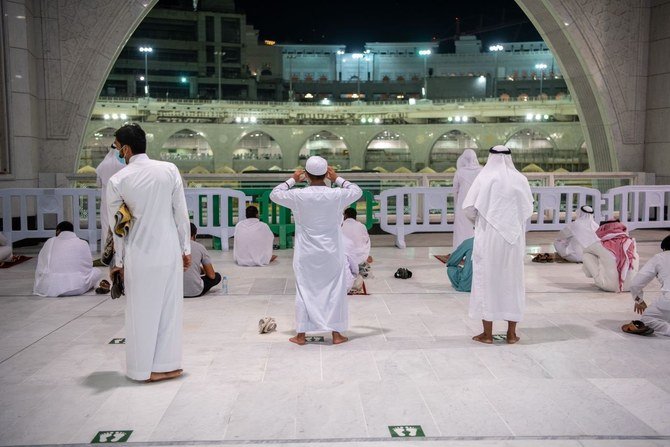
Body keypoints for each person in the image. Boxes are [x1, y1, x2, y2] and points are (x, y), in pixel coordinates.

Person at [106, 123, 191, 383]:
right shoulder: (169, 170)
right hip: (169, 253)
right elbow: (181, 214)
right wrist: (185, 249)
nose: (118, 152)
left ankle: (142, 370)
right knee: (169, 311)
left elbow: (117, 227)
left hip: (139, 254)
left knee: (140, 314)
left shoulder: (118, 180)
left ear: (127, 148)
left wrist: (118, 263)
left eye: (118, 147)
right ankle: (167, 365)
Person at [270, 156, 362, 345]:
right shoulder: (336, 195)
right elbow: (356, 191)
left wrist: (293, 180)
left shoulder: (298, 196)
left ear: (307, 174)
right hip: (332, 253)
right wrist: (337, 178)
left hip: (306, 253)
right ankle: (336, 334)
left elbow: (274, 194)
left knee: (305, 290)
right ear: (326, 174)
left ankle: (301, 335)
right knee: (334, 291)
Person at [462, 145, 534, 344]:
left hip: (489, 236)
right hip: (514, 238)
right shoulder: (521, 179)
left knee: (488, 280)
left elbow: (468, 208)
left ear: (491, 157)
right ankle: (511, 334)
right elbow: (528, 208)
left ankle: (487, 335)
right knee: (513, 282)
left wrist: (479, 221)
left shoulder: (484, 178)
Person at [33, 221, 101, 297]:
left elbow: (41, 266)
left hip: (51, 287)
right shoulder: (83, 242)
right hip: (77, 287)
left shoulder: (49, 242)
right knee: (97, 271)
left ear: (58, 231)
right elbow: (89, 266)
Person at [625, 235, 670, 336]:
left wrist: (639, 300)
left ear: (664, 248)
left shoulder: (660, 258)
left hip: (668, 300)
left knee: (648, 319)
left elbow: (635, 284)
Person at [582, 219, 639, 292]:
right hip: (632, 285)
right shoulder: (631, 242)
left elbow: (585, 251)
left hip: (608, 287)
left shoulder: (600, 245)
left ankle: (596, 277)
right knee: (634, 254)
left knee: (587, 255)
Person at [452, 149, 482, 249]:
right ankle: (476, 251)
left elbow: (455, 190)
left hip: (463, 205)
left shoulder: (460, 172)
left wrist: (456, 205)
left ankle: (461, 251)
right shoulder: (481, 171)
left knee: (461, 229)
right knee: (477, 228)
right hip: (478, 205)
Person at [96, 142, 126, 241]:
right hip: (119, 200)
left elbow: (98, 184)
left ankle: (106, 253)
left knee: (106, 226)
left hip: (106, 200)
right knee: (119, 225)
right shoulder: (122, 166)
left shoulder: (101, 166)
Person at [184, 223, 222, 297]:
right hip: (195, 291)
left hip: (175, 291)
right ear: (194, 235)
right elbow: (211, 276)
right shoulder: (200, 247)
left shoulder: (172, 246)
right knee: (217, 276)